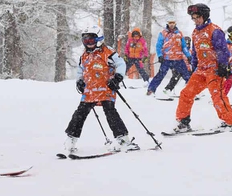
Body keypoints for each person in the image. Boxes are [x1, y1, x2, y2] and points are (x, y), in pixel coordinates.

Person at [64, 26, 139, 154]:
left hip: (106, 89)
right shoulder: (84, 56)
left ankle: (123, 139)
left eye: (91, 40)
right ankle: (71, 139)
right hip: (90, 91)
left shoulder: (107, 52)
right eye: (85, 41)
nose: (88, 44)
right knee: (79, 114)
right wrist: (79, 81)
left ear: (99, 39)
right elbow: (80, 70)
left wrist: (117, 77)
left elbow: (121, 64)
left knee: (110, 113)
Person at [172, 3, 232, 133]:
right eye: (193, 18)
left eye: (198, 17)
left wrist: (223, 65)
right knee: (186, 93)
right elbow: (195, 52)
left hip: (214, 70)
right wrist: (194, 66)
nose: (195, 20)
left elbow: (223, 50)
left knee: (217, 96)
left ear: (205, 16)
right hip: (201, 71)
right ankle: (183, 122)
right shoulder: (195, 32)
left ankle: (230, 122)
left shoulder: (214, 30)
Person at [147, 20, 192, 96]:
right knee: (161, 74)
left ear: (175, 23)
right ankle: (151, 90)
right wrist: (160, 55)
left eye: (173, 23)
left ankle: (193, 91)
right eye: (170, 23)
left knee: (186, 75)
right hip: (167, 59)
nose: (171, 25)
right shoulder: (163, 33)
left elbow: (184, 46)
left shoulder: (179, 33)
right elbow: (158, 46)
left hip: (178, 59)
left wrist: (188, 55)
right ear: (167, 23)